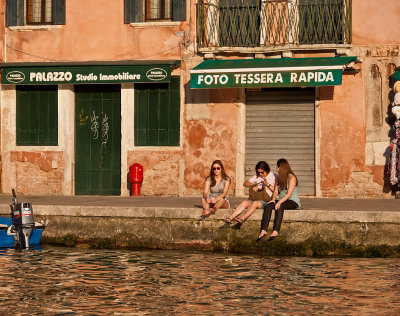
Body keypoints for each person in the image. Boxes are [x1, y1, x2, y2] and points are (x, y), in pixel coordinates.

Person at [257, 158, 301, 242]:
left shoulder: (292, 177)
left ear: (282, 167)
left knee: (279, 206)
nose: (276, 169)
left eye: (278, 167)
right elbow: (276, 191)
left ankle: (276, 230)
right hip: (281, 200)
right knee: (268, 206)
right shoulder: (278, 178)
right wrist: (273, 200)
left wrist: (279, 202)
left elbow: (289, 194)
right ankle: (264, 230)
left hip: (293, 201)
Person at [222, 161, 276, 229]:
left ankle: (242, 219)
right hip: (256, 198)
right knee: (244, 202)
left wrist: (267, 184)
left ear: (267, 170)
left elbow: (276, 190)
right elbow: (245, 184)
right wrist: (253, 185)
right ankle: (230, 218)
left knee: (255, 203)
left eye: (262, 172)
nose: (260, 174)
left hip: (266, 201)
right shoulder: (257, 176)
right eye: (258, 172)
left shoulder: (273, 176)